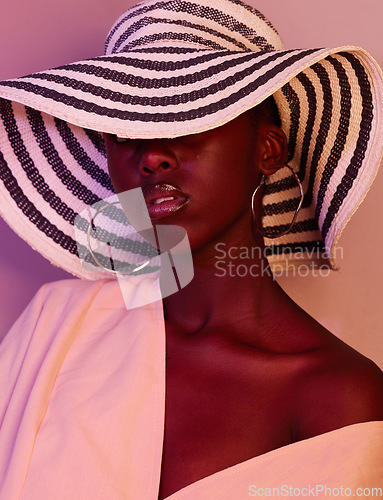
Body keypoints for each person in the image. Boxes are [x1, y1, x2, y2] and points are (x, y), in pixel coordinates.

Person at [0, 0, 382, 498]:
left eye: (189, 115)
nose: (151, 154)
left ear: (268, 150)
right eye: (124, 130)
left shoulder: (339, 396)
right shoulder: (56, 326)